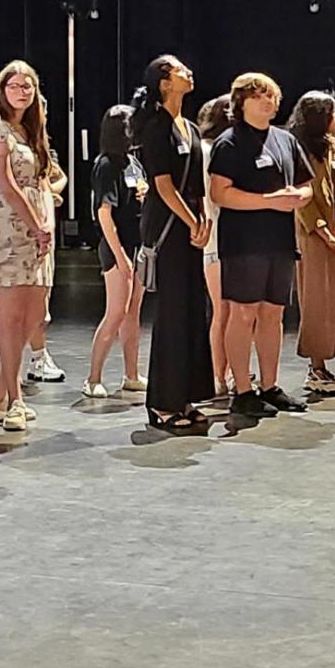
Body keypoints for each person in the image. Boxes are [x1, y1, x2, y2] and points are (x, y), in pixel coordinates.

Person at [207, 73, 313, 420]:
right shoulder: (229, 143)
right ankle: (243, 389)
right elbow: (219, 193)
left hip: (280, 240)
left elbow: (307, 184)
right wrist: (268, 200)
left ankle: (270, 385)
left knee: (274, 313)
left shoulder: (285, 140)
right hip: (243, 242)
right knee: (243, 312)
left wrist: (298, 197)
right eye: (260, 96)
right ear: (241, 102)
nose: (269, 101)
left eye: (272, 96)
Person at [0, 60, 63, 432]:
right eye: (14, 85)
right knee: (11, 317)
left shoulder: (30, 130)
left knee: (36, 315)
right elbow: (6, 184)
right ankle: (13, 399)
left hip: (39, 228)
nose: (22, 91)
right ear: (2, 89)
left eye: (28, 86)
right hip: (6, 227)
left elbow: (48, 180)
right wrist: (34, 224)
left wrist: (47, 225)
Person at [134, 55, 214, 431]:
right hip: (167, 227)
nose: (189, 72)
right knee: (171, 314)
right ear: (164, 83)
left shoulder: (191, 128)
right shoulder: (156, 127)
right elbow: (163, 186)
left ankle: (186, 395)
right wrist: (191, 220)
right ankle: (163, 403)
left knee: (193, 310)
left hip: (191, 225)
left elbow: (196, 183)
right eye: (181, 70)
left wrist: (204, 220)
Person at [287, 91, 335, 397]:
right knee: (317, 299)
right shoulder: (296, 149)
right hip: (312, 236)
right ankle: (317, 368)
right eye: (333, 113)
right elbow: (301, 199)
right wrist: (324, 233)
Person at [84, 104, 147, 398]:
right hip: (117, 246)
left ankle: (131, 374)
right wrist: (120, 256)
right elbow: (104, 213)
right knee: (116, 312)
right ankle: (93, 377)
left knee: (133, 312)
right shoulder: (106, 165)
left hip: (139, 245)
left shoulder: (134, 163)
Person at [196, 94, 234, 400]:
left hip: (233, 238)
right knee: (223, 309)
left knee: (236, 309)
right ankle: (218, 375)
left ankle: (232, 371)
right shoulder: (208, 151)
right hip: (217, 238)